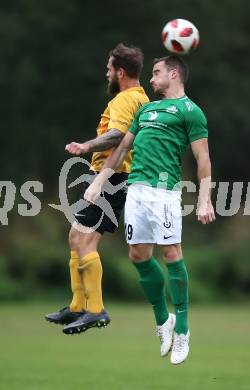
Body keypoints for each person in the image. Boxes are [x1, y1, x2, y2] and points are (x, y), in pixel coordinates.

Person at [84, 55, 215, 364]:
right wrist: (99, 181)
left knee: (171, 254)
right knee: (138, 256)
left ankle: (182, 330)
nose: (151, 79)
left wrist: (205, 198)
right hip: (137, 192)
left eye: (156, 73)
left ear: (174, 74)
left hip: (165, 193)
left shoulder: (190, 112)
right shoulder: (145, 110)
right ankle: (163, 321)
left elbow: (203, 159)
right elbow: (122, 149)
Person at [45, 43, 149, 335]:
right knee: (76, 236)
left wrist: (87, 145)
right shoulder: (138, 98)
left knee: (86, 242)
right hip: (108, 175)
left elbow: (117, 136)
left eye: (109, 69)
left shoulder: (126, 100)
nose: (106, 74)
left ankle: (95, 310)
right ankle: (78, 306)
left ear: (121, 72)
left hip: (112, 176)